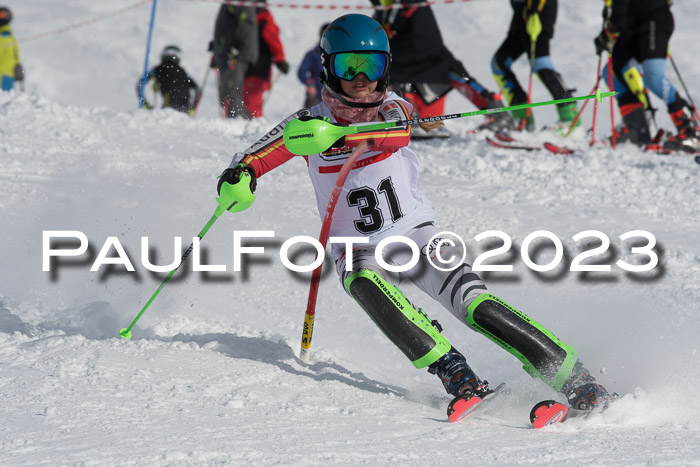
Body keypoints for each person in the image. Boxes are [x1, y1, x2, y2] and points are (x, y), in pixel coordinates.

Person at [216, 14, 613, 413]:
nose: (360, 78)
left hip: (415, 234)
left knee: (477, 306)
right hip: (356, 248)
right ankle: (457, 375)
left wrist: (343, 135)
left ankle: (578, 381)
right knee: (362, 281)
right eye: (347, 66)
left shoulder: (392, 105)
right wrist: (240, 175)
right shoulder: (308, 124)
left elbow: (398, 130)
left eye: (371, 66)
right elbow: (256, 156)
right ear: (328, 67)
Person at [371, 0, 515, 137]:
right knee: (387, 66)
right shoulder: (383, 11)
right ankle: (406, 113)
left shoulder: (406, 7)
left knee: (453, 71)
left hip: (423, 51)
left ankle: (497, 112)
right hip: (412, 62)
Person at [595, 0, 700, 152]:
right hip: (632, 21)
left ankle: (690, 131)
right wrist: (607, 31)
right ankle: (637, 129)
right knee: (610, 72)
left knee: (653, 77)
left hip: (653, 15)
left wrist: (615, 23)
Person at [491, 0, 578, 132]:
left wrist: (535, 11)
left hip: (538, 11)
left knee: (541, 64)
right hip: (522, 14)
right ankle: (522, 119)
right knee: (499, 63)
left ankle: (571, 119)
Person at [241, 0, 289, 119]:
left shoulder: (264, 21)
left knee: (252, 99)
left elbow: (274, 42)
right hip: (242, 67)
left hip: (259, 68)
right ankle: (232, 123)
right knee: (235, 97)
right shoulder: (243, 19)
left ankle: (255, 127)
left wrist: (280, 60)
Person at [212, 4, 259, 118]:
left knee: (232, 90)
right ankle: (234, 118)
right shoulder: (229, 4)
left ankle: (237, 119)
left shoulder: (242, 3)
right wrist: (217, 47)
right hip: (226, 52)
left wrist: (238, 45)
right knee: (226, 91)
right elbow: (225, 29)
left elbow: (246, 23)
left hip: (235, 54)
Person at [135, 45, 200, 114]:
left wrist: (145, 104)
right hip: (185, 109)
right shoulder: (182, 72)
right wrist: (192, 108)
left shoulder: (158, 69)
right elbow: (198, 90)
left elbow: (140, 84)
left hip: (168, 107)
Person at [297, 23, 328, 109]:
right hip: (316, 95)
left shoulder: (340, 56)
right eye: (324, 34)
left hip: (335, 96)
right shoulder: (312, 54)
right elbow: (302, 72)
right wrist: (310, 83)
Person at [0, 6, 23, 92]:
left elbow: (15, 56)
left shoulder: (11, 37)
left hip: (9, 76)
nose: (2, 18)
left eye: (4, 15)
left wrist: (19, 67)